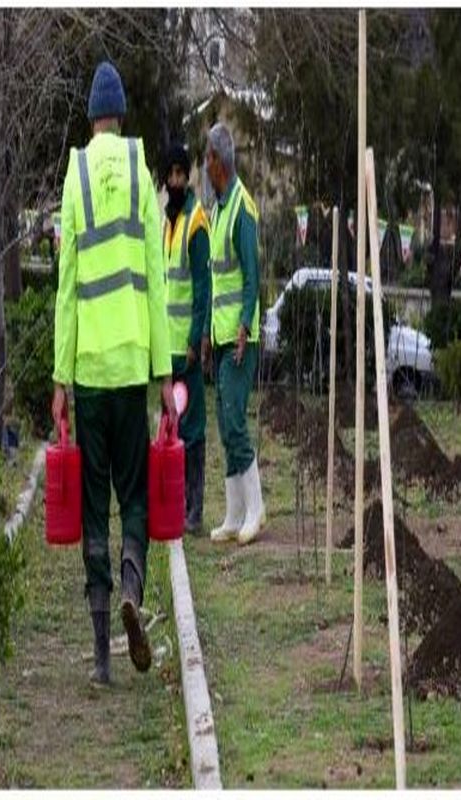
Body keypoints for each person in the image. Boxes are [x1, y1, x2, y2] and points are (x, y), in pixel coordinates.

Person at [52, 61, 177, 686]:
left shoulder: (74, 178)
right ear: (122, 115)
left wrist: (59, 380)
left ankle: (102, 656)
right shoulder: (141, 175)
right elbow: (155, 284)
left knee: (93, 506)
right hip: (131, 371)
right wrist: (165, 375)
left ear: (90, 119)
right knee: (135, 497)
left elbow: (67, 287)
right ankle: (133, 579)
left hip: (89, 373)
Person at [202, 122, 266, 545]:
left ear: (218, 162)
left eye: (207, 158)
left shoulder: (242, 209)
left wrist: (243, 325)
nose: (204, 166)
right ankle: (233, 513)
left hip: (242, 337)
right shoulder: (220, 208)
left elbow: (250, 278)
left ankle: (255, 510)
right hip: (222, 335)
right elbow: (217, 279)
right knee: (225, 424)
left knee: (236, 423)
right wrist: (210, 332)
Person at [161, 143, 211, 534]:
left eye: (181, 173)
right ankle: (176, 503)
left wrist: (197, 339)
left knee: (191, 429)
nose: (176, 180)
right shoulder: (167, 222)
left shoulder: (195, 221)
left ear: (188, 177)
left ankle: (194, 509)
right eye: (171, 174)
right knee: (171, 427)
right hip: (167, 350)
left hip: (188, 350)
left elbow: (202, 289)